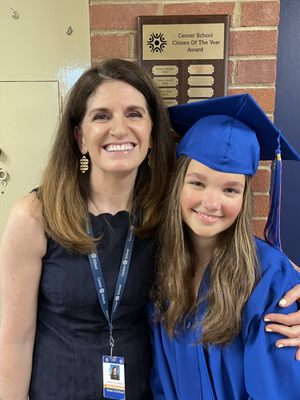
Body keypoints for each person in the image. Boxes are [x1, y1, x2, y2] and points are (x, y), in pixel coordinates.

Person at [0, 59, 175, 400]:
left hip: (141, 389)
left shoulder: (166, 213)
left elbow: (231, 260)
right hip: (56, 389)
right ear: (80, 138)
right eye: (102, 116)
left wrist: (285, 287)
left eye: (134, 114)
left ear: (153, 134)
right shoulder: (35, 215)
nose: (120, 129)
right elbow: (14, 339)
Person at [150, 93, 300, 399]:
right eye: (198, 183)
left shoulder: (269, 278)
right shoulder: (158, 266)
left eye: (230, 189)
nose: (211, 203)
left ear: (245, 199)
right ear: (178, 184)